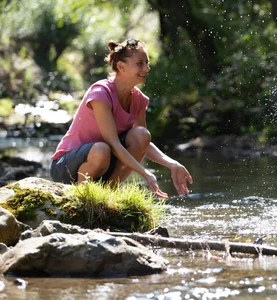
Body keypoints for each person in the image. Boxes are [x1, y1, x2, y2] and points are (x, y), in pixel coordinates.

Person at [50, 39, 193, 199]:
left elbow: (143, 144)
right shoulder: (100, 93)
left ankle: (108, 194)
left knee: (141, 134)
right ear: (121, 66)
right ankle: (81, 197)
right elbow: (113, 143)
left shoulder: (139, 99)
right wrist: (145, 173)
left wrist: (172, 164)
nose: (146, 68)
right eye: (140, 63)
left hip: (103, 161)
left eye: (147, 62)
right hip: (66, 166)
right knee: (102, 149)